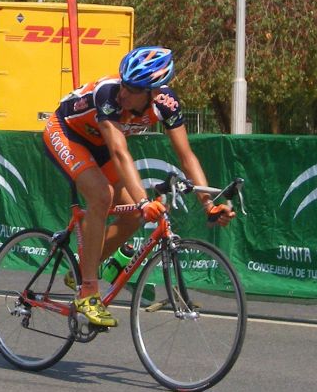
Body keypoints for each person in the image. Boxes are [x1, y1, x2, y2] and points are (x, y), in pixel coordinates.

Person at [42, 46, 235, 328]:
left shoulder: (166, 104)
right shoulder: (108, 94)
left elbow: (186, 156)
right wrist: (144, 200)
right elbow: (120, 152)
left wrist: (209, 204)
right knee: (102, 195)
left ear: (152, 92)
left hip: (100, 146)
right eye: (124, 83)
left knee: (133, 214)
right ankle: (87, 292)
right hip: (67, 132)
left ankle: (82, 271)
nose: (123, 92)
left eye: (132, 89)